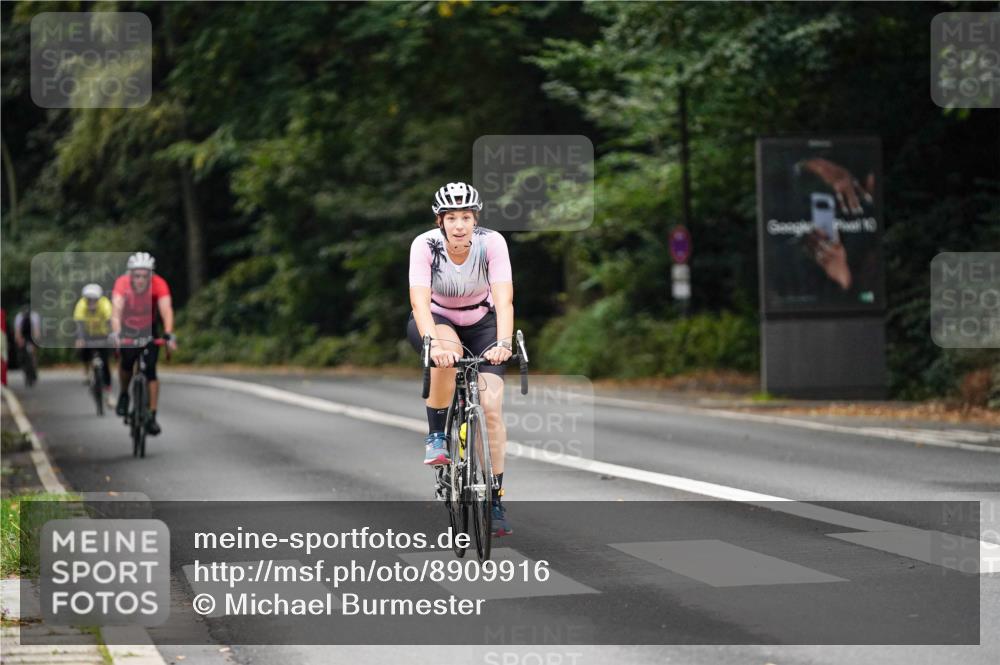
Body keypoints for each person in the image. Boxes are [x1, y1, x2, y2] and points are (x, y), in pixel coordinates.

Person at [406, 182, 515, 536]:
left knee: (492, 407)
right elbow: (419, 302)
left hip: (483, 322)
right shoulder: (425, 245)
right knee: (448, 355)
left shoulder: (492, 243)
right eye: (451, 217)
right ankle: (437, 435)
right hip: (438, 318)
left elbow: (504, 300)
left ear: (475, 219)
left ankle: (495, 497)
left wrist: (504, 342)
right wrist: (433, 345)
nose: (459, 225)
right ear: (440, 220)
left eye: (466, 217)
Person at [110, 252, 177, 435]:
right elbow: (116, 311)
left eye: (145, 276)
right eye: (136, 275)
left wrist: (168, 333)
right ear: (130, 274)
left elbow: (166, 309)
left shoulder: (159, 284)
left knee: (150, 371)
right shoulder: (122, 283)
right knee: (126, 363)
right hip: (127, 328)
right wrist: (116, 333)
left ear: (151, 275)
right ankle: (124, 394)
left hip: (149, 328)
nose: (140, 280)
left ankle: (152, 415)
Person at [73, 283, 113, 398]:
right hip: (87, 334)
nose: (91, 302)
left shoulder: (105, 304)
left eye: (94, 300)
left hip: (103, 334)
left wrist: (112, 336)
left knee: (105, 362)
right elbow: (79, 325)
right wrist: (80, 339)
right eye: (88, 300)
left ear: (99, 299)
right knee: (82, 349)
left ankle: (108, 388)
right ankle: (86, 371)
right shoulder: (81, 305)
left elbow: (110, 322)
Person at [13, 306, 41, 385]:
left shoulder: (34, 316)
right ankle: (26, 373)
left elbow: (36, 330)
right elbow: (17, 331)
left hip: (32, 337)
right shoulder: (19, 317)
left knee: (32, 355)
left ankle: (34, 369)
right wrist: (19, 341)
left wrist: (36, 342)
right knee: (22, 356)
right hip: (23, 337)